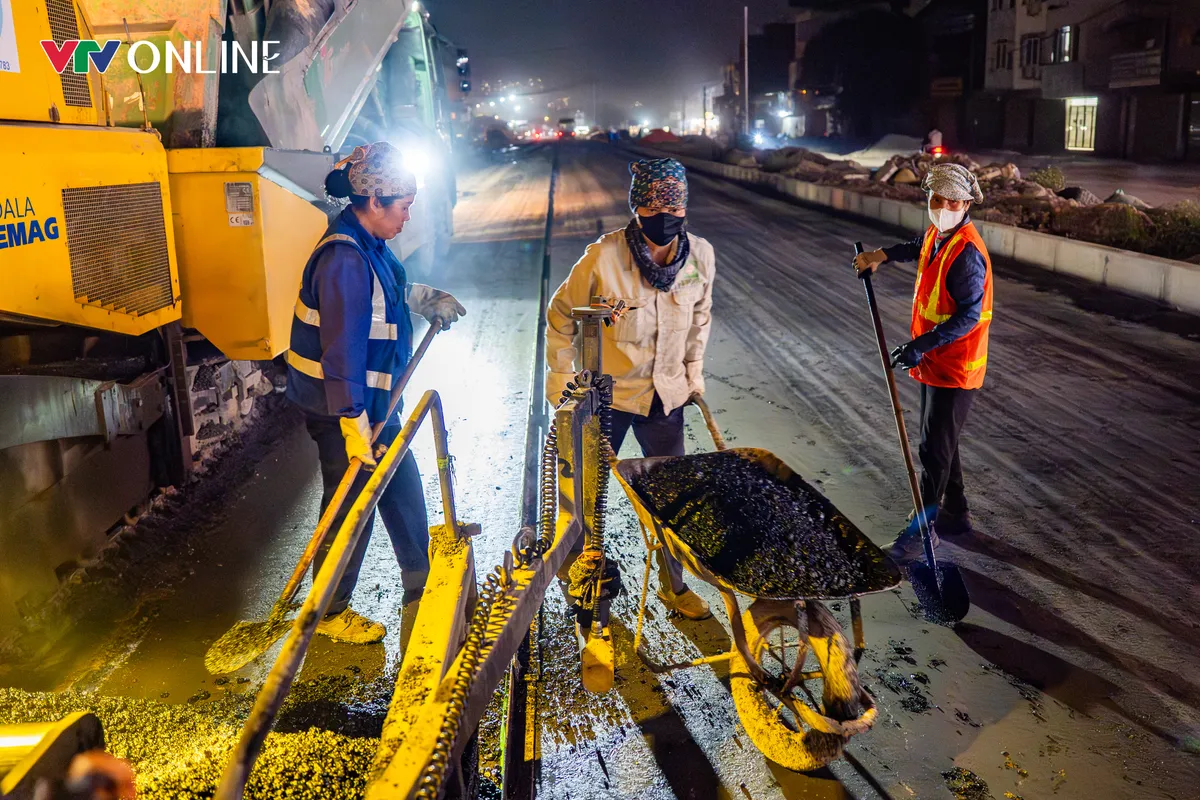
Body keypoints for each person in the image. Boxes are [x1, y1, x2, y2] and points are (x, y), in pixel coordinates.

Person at [286, 142, 466, 643]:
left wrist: (425, 298)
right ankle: (329, 610)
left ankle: (420, 582)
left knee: (401, 487)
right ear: (374, 201)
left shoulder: (367, 244)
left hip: (373, 403)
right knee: (350, 506)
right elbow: (342, 348)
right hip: (342, 407)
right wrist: (352, 423)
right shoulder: (342, 257)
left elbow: (383, 293)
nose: (408, 217)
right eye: (404, 207)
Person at [546, 158, 716, 620]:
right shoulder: (602, 260)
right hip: (609, 399)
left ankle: (674, 587)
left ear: (684, 212)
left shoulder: (699, 256)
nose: (663, 223)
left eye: (673, 214)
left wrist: (692, 376)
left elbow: (699, 320)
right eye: (651, 214)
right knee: (586, 498)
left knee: (673, 499)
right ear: (636, 211)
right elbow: (560, 318)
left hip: (666, 400)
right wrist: (562, 384)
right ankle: (582, 581)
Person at [852, 162, 993, 562]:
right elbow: (920, 246)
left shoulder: (966, 254)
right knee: (942, 441)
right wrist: (882, 255)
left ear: (966, 203)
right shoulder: (941, 234)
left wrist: (921, 345)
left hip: (955, 364)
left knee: (934, 448)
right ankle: (956, 513)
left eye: (951, 200)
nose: (942, 206)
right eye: (935, 199)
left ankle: (922, 532)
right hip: (938, 360)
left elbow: (969, 315)